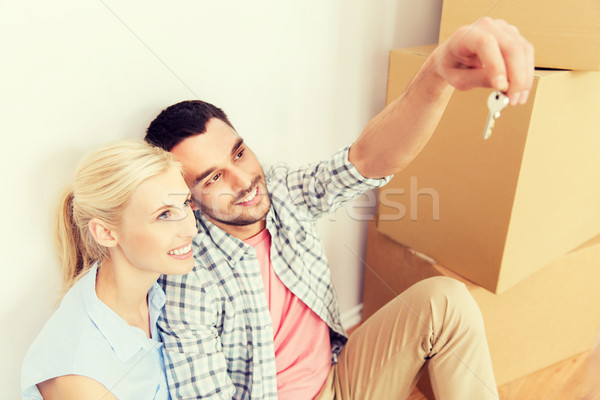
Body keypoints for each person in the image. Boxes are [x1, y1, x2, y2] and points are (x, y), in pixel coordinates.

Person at [144, 18, 534, 399]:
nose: (243, 181)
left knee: (447, 302)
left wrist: (438, 72)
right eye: (212, 179)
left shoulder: (281, 194)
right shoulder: (187, 280)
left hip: (340, 376)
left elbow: (367, 159)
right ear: (188, 201)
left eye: (240, 153)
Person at [21, 140, 198, 399]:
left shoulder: (160, 291)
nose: (191, 229)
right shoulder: (80, 374)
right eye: (164, 215)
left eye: (185, 204)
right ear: (105, 233)